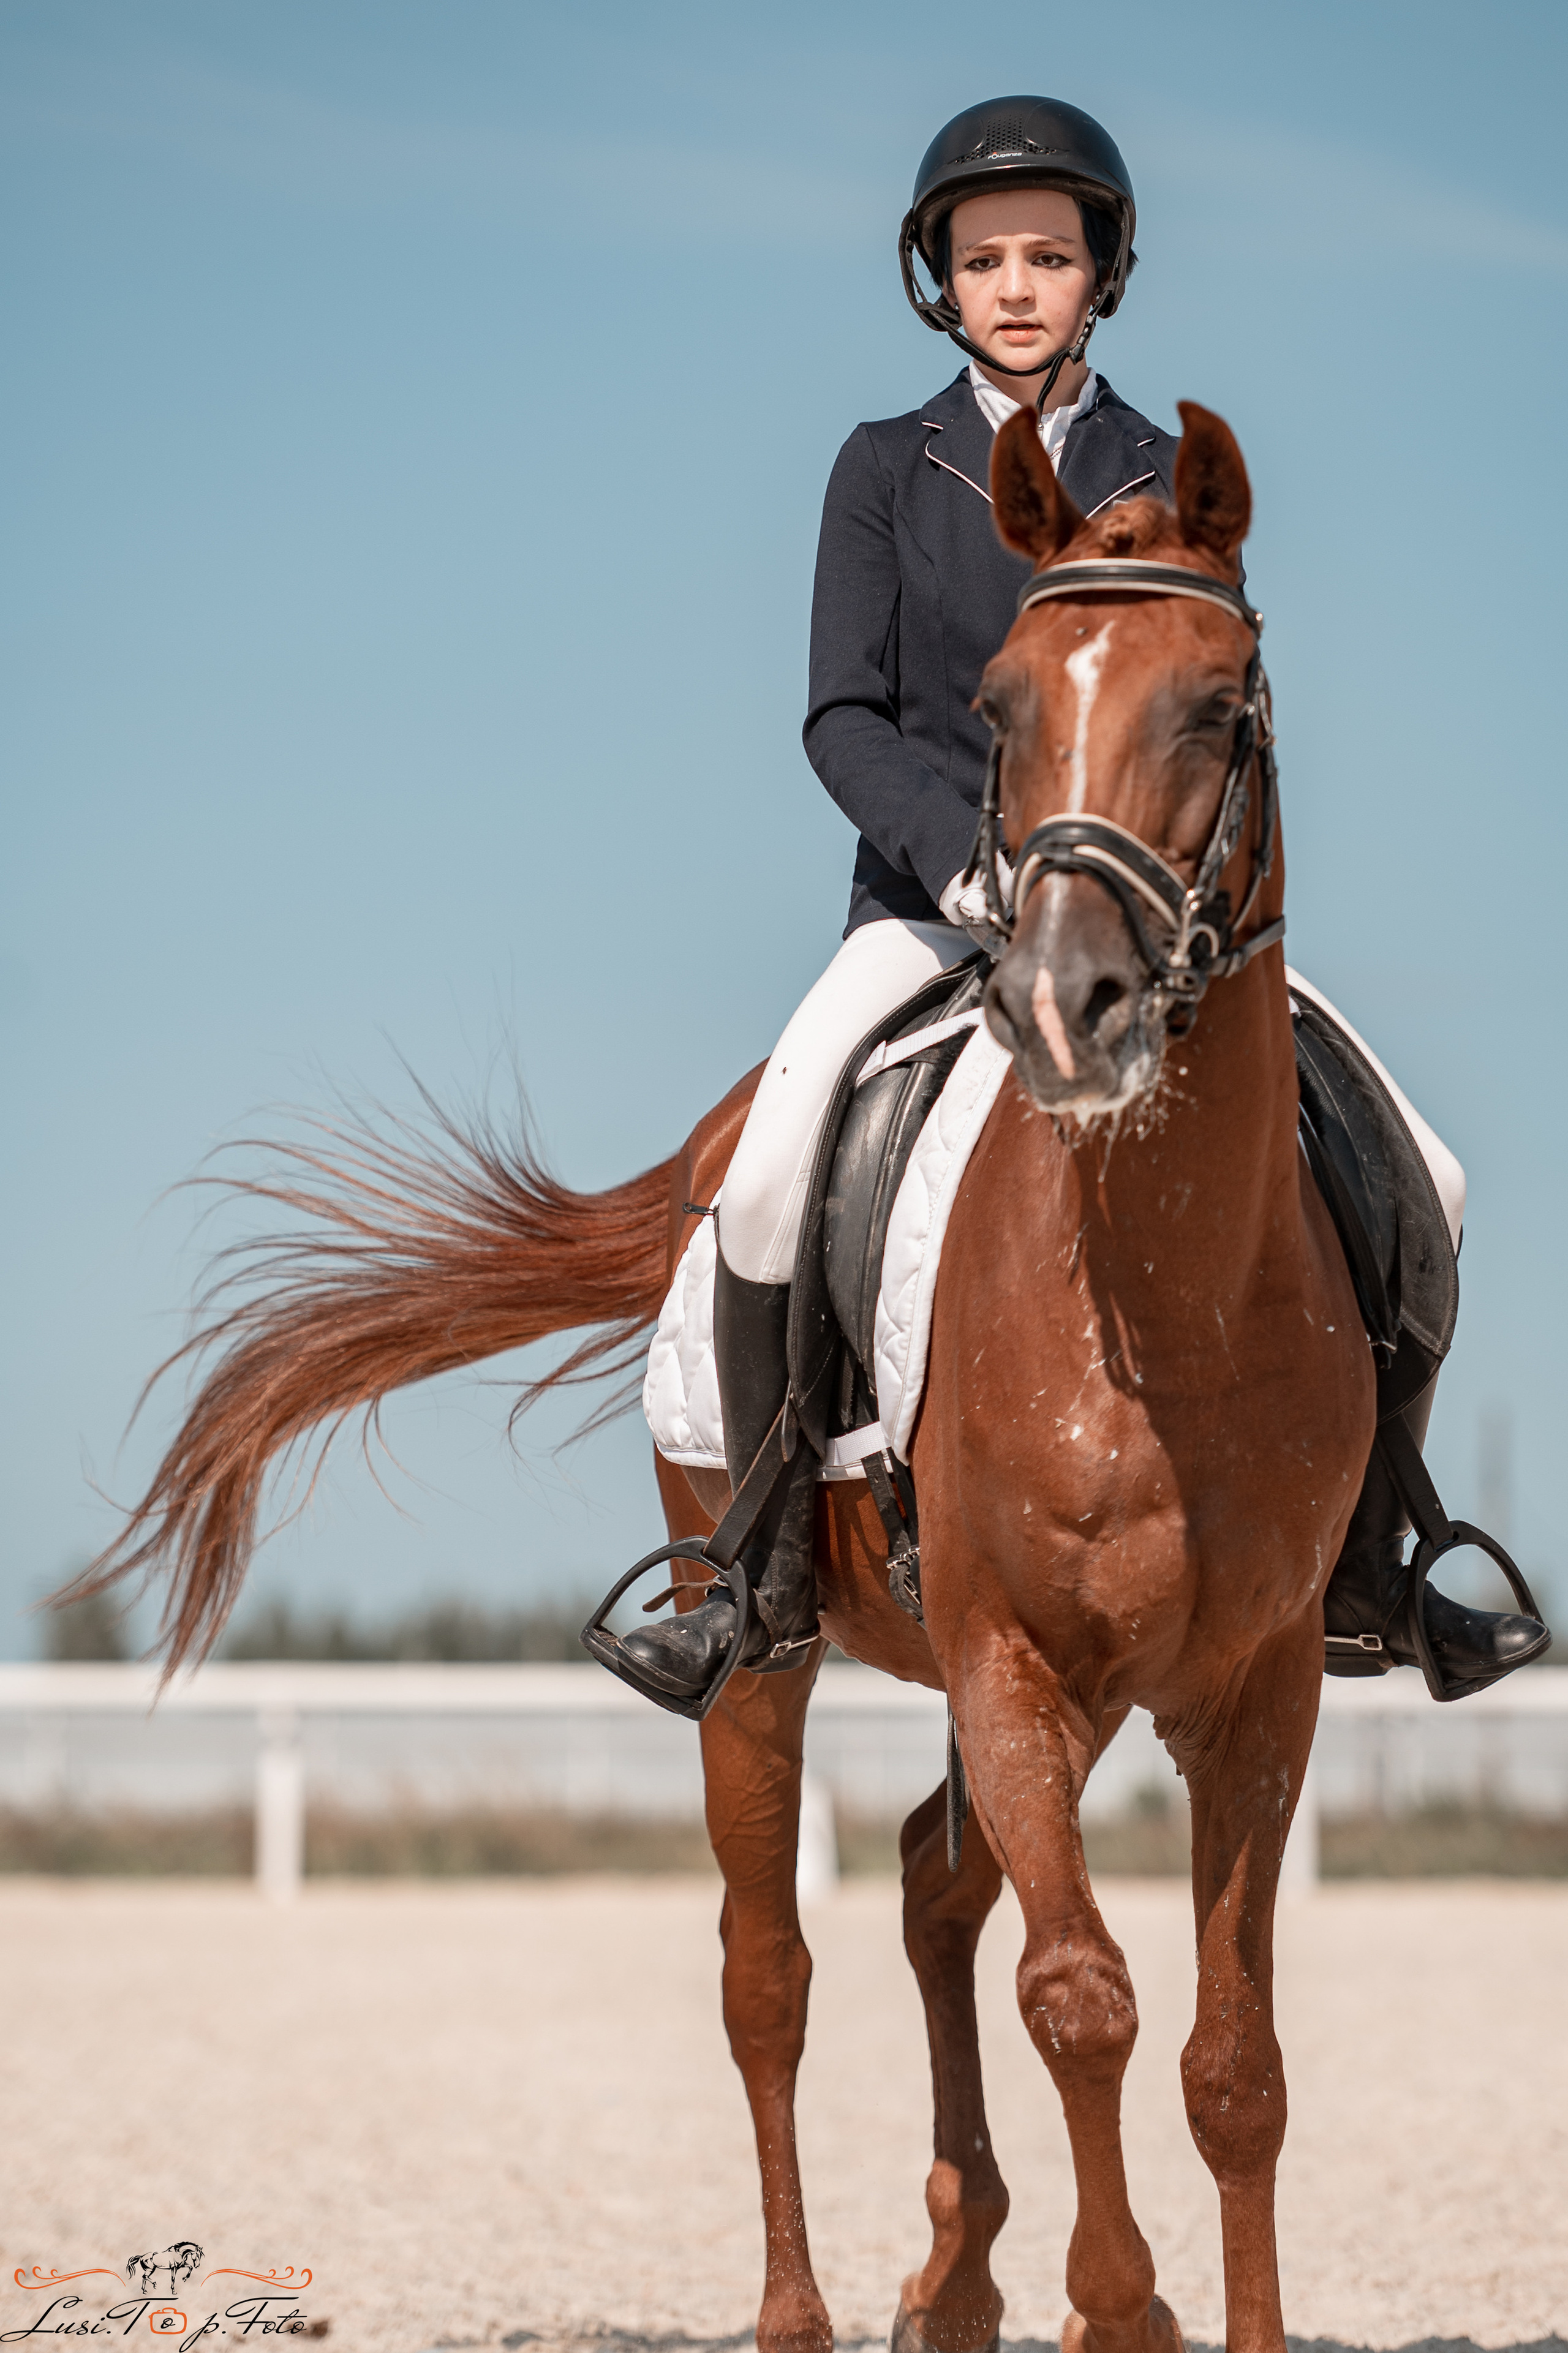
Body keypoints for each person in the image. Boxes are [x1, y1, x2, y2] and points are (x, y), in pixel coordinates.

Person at [604, 94, 1548, 1713]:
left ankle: (1371, 1552)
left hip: (1151, 929)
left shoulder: (1167, 471)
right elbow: (841, 716)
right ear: (943, 284)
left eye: (1049, 256)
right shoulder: (881, 468)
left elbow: (1208, 705)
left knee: (1433, 1178)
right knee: (762, 1187)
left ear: (1103, 273)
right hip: (926, 913)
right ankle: (757, 1572)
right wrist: (965, 859)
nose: (1017, 287)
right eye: (985, 262)